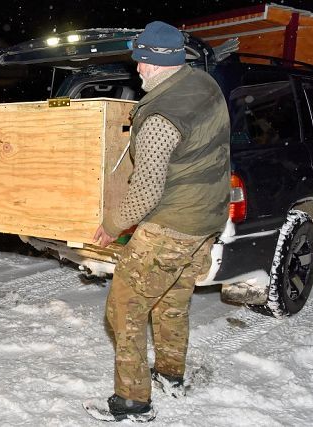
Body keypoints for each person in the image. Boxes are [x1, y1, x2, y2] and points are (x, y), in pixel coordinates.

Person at [87, 21, 230, 422]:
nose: (138, 71)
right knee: (172, 300)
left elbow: (146, 193)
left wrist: (113, 224)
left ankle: (132, 402)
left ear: (154, 62)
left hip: (172, 224)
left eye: (141, 63)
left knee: (124, 310)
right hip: (206, 220)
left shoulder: (159, 120)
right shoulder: (204, 85)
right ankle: (170, 373)